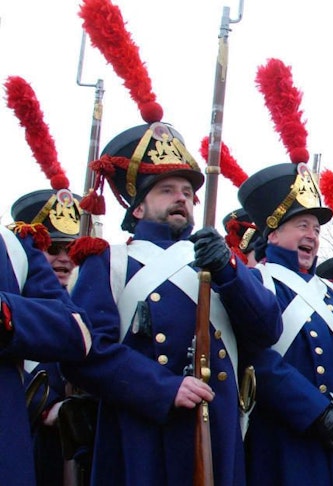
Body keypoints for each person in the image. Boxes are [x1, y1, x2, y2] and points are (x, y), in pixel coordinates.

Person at [63, 120, 283, 486]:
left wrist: (229, 271)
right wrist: (163, 388)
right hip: (140, 432)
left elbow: (266, 330)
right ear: (137, 209)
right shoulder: (110, 262)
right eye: (166, 190)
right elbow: (85, 352)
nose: (181, 197)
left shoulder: (221, 260)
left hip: (218, 428)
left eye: (186, 190)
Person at [236, 162, 333, 486]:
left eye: (316, 230)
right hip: (286, 438)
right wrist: (317, 414)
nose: (312, 236)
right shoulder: (255, 283)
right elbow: (258, 360)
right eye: (302, 225)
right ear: (273, 232)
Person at [10, 189, 90, 486]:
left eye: (72, 249)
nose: (64, 259)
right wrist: (46, 406)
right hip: (26, 441)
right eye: (53, 248)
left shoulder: (90, 298)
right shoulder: (16, 297)